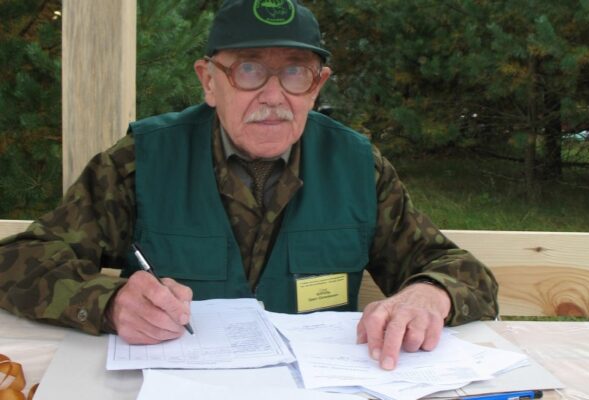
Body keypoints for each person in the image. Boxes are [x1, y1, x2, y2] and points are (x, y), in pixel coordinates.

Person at [0, 0, 498, 371]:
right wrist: (108, 303)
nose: (274, 95)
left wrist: (428, 295)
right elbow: (19, 261)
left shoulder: (356, 166)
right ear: (208, 81)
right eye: (250, 69)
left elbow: (463, 272)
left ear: (318, 85)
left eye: (295, 72)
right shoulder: (142, 160)